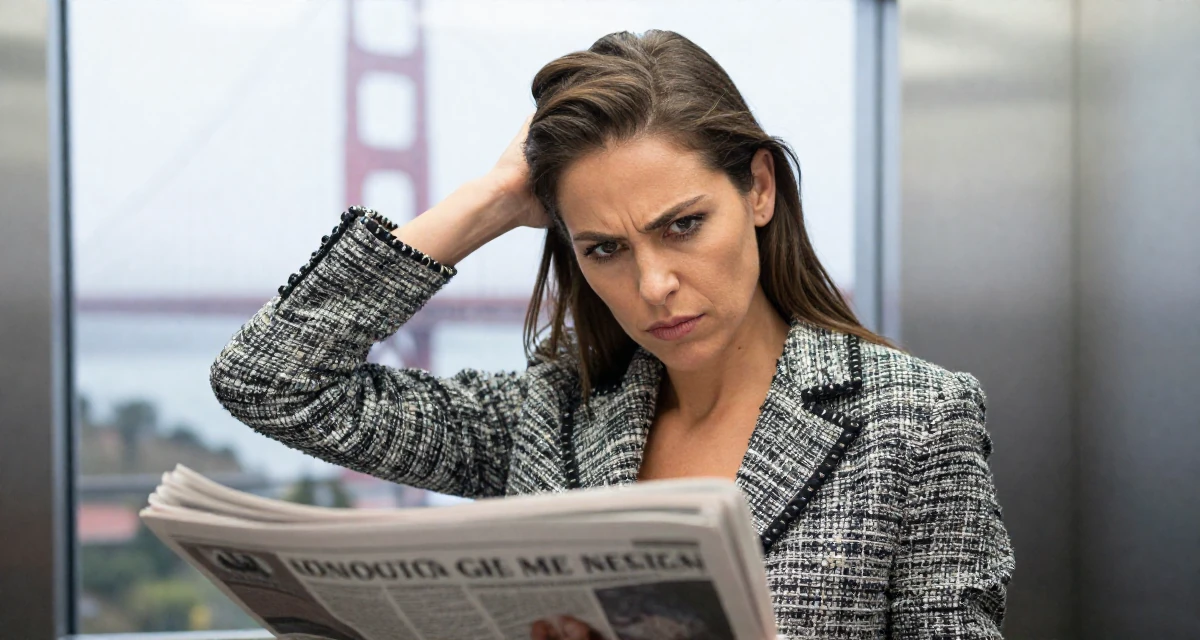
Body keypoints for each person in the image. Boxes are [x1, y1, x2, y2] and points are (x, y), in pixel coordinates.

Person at [210, 30, 1015, 640]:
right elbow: (273, 382)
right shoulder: (551, 414)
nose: (654, 285)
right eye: (604, 248)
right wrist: (488, 202)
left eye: (684, 225)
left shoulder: (915, 420)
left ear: (759, 188)